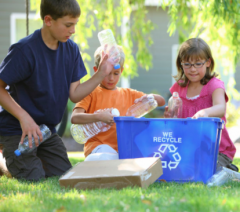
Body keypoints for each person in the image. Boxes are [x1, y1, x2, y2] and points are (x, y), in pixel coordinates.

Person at [0, 0, 116, 181]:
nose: (73, 30)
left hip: (46, 131)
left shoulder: (71, 50)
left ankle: (26, 159)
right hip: (17, 129)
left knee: (65, 175)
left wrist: (101, 74)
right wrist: (24, 118)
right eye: (68, 25)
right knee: (33, 177)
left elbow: (75, 93)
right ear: (48, 20)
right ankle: (3, 161)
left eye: (75, 25)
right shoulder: (24, 50)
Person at [71, 45, 166, 161]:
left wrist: (149, 98)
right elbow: (75, 118)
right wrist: (98, 117)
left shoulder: (129, 94)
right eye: (107, 74)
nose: (111, 78)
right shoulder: (90, 92)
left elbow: (161, 101)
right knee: (103, 157)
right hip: (98, 149)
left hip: (122, 149)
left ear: (122, 71)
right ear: (97, 71)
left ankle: (120, 161)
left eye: (116, 73)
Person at [164, 38, 238, 171]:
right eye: (187, 64)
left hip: (216, 150)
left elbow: (221, 108)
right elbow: (174, 120)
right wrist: (169, 115)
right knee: (169, 167)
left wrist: (206, 112)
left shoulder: (214, 85)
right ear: (181, 64)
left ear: (208, 62)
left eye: (198, 64)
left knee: (205, 169)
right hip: (187, 149)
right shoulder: (179, 88)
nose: (192, 69)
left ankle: (227, 170)